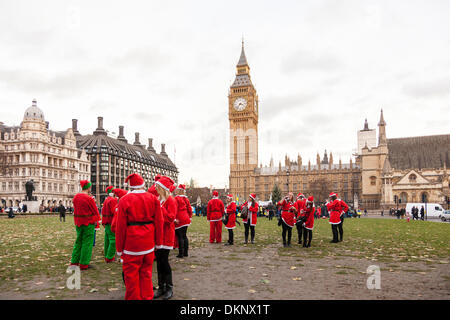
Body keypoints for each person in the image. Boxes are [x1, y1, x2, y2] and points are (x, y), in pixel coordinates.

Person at [115, 173, 163, 300]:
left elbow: (120, 227)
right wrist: (158, 242)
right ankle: (147, 297)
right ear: (143, 184)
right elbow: (159, 222)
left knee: (131, 277)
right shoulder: (153, 199)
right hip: (148, 242)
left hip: (132, 244)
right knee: (146, 274)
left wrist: (119, 249)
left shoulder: (124, 200)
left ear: (130, 186)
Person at [153, 176, 177, 300]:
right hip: (158, 235)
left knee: (164, 261)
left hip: (166, 235)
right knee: (158, 262)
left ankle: (169, 287)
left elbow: (170, 218)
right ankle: (160, 286)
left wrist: (160, 208)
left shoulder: (171, 201)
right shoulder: (159, 199)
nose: (155, 189)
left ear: (163, 188)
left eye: (158, 187)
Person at [70, 180, 101, 270]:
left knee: (78, 242)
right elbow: (95, 211)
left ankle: (74, 262)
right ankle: (84, 263)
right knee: (87, 243)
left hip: (78, 223)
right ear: (88, 187)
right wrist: (97, 221)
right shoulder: (89, 198)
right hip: (88, 223)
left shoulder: (76, 197)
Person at [174, 184, 192, 258]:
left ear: (179, 190)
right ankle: (186, 253)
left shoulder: (176, 198)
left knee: (180, 236)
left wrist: (174, 219)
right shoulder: (186, 199)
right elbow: (189, 209)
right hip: (186, 218)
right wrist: (190, 217)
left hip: (179, 218)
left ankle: (181, 253)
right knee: (184, 236)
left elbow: (174, 209)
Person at [101, 186, 118, 263]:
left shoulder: (106, 200)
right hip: (111, 222)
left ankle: (106, 254)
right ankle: (110, 257)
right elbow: (114, 211)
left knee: (107, 239)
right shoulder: (113, 200)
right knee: (113, 240)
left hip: (106, 222)